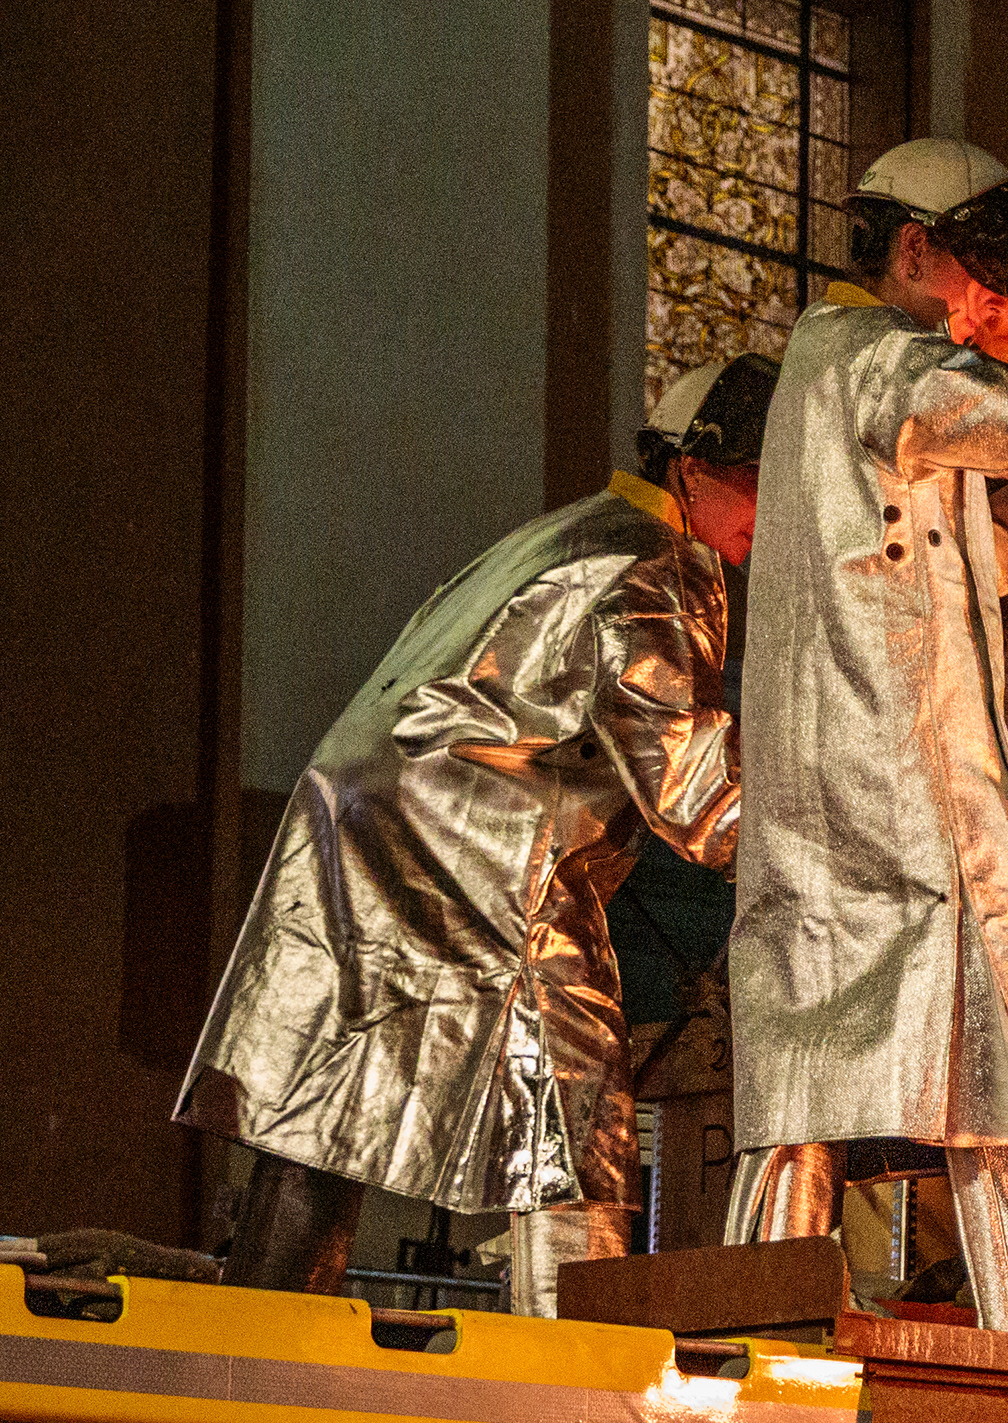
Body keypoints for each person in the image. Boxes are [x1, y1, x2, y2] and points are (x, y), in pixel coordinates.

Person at [181, 356, 777, 1318]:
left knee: (322, 1116)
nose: (767, 519)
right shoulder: (660, 564)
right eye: (758, 486)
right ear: (693, 467)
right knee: (573, 1118)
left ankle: (255, 1364)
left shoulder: (563, 531)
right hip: (486, 855)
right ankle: (569, 1407)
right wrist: (832, 855)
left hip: (367, 828)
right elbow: (693, 788)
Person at [721, 137, 1008, 1337]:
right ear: (913, 249)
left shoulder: (826, 384)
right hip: (901, 748)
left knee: (809, 1032)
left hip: (828, 766)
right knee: (996, 974)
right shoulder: (876, 356)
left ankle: (762, 1293)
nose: (983, 312)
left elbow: (989, 562)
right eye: (975, 280)